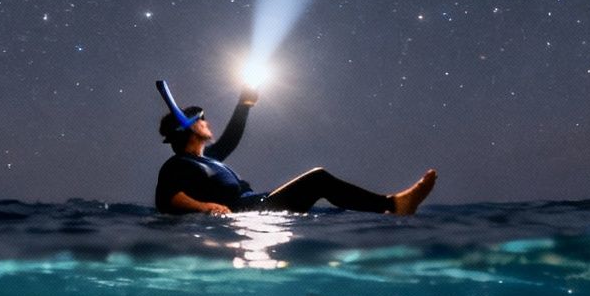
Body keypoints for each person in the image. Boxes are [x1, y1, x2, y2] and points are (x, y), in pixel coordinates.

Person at [153, 87, 437, 216]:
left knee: (318, 182)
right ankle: (394, 206)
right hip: (250, 212)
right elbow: (167, 198)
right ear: (189, 129)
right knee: (318, 179)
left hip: (259, 206)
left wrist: (244, 106)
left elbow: (230, 140)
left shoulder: (208, 160)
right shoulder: (178, 165)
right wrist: (206, 207)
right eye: (201, 119)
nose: (207, 122)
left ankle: (390, 206)